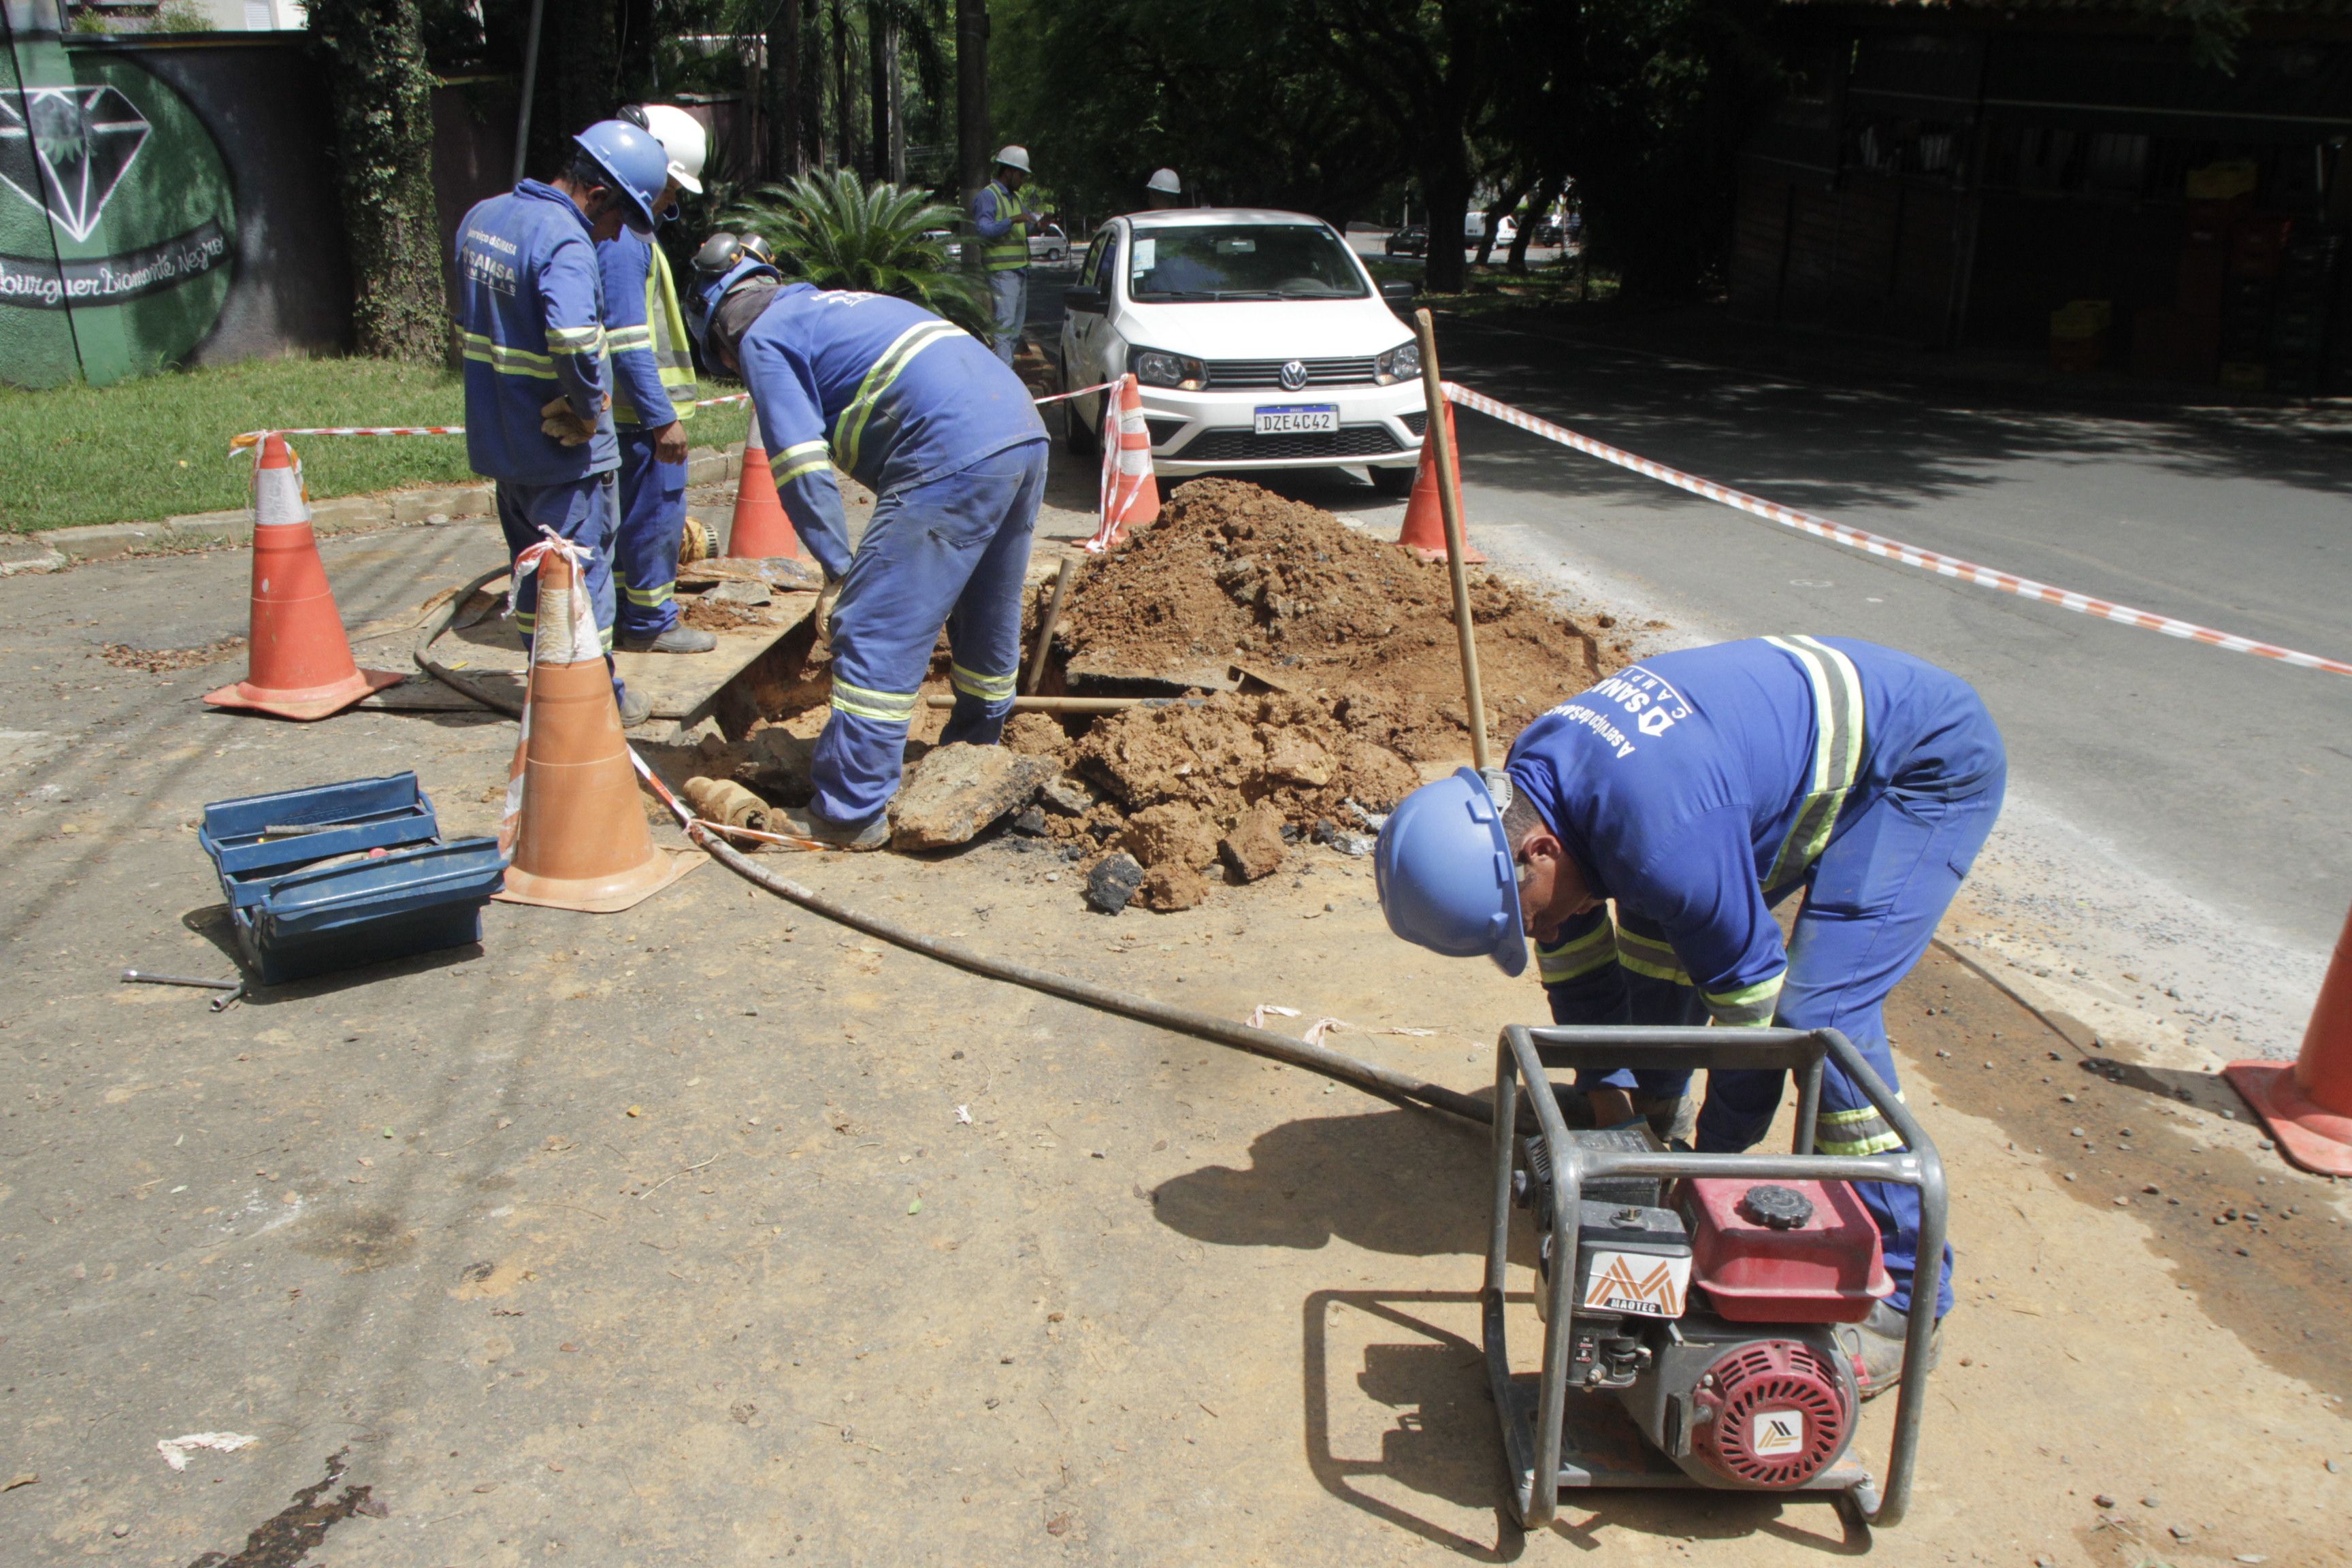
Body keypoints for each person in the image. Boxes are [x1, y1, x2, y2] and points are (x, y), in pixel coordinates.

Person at [1373, 636, 2006, 1396]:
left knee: (1818, 1017)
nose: (1535, 933)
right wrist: (1617, 1113)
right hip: (1725, 777)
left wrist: (1709, 1174)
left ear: (1539, 851)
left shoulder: (1659, 837)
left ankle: (1907, 1299)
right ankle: (1656, 1112)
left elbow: (1751, 1015)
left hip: (1919, 762)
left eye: (1525, 917)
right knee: (1654, 934)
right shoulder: (1532, 793)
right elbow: (1576, 963)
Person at [689, 238, 1050, 849]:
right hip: (1020, 429)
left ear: (720, 336)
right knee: (986, 608)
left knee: (873, 624)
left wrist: (837, 569)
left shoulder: (764, 339)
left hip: (951, 447)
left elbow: (800, 462)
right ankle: (975, 753)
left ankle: (851, 811)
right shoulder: (829, 308)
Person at [454, 119, 671, 725]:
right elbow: (575, 340)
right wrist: (584, 405)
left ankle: (544, 685)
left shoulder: (484, 218)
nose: (613, 236)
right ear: (598, 196)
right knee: (581, 577)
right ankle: (593, 702)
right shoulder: (565, 239)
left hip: (502, 442)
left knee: (533, 573)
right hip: (563, 453)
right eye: (617, 220)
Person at [599, 103, 716, 656]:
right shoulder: (624, 242)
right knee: (653, 521)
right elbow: (628, 339)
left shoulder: (626, 235)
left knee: (632, 522)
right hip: (640, 418)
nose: (671, 199)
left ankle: (629, 615)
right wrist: (661, 416)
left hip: (630, 414)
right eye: (670, 186)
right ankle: (648, 624)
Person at [971, 145, 1043, 365]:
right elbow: (983, 230)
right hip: (1002, 273)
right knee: (1004, 331)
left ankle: (1006, 374)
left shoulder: (1015, 199)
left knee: (1014, 331)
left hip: (1019, 272)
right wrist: (1012, 220)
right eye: (1021, 174)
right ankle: (1005, 383)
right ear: (1009, 171)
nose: (1022, 179)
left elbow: (1025, 227)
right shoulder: (989, 196)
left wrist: (1040, 226)